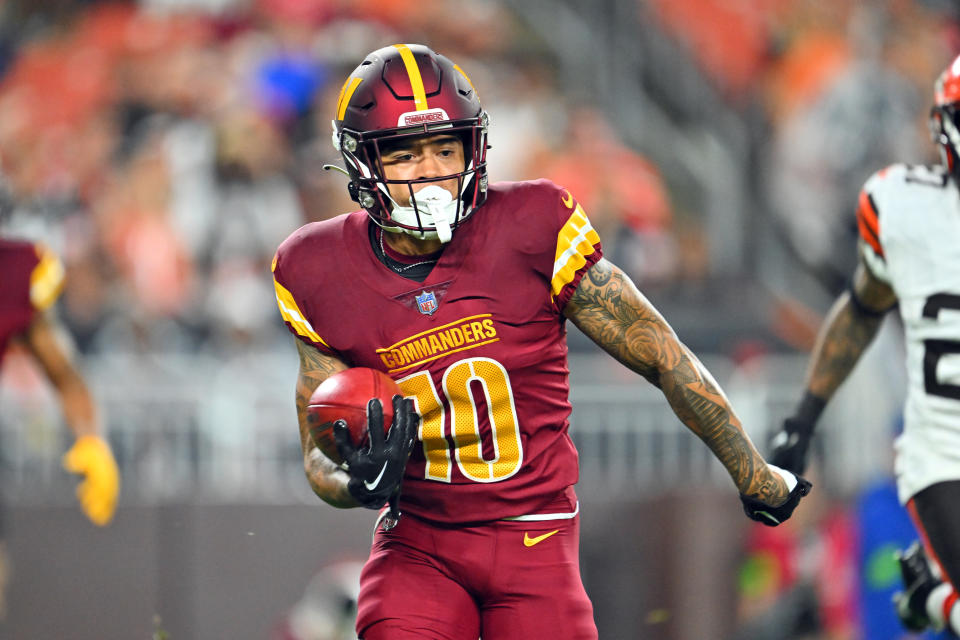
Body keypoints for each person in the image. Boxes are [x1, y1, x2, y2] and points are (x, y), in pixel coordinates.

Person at [272, 43, 811, 640]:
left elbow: (661, 353)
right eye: (405, 154)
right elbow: (318, 454)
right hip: (418, 543)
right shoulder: (313, 267)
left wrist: (754, 472)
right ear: (362, 164)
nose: (429, 171)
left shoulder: (531, 225)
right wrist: (353, 480)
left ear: (473, 148)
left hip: (536, 536)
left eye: (444, 148)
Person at [768, 53, 960, 637]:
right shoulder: (903, 207)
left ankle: (932, 598)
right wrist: (804, 418)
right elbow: (860, 311)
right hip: (945, 456)